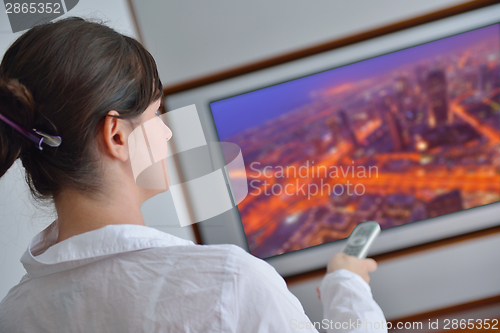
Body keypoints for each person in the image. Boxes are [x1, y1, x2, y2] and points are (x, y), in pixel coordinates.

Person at [0, 17, 386, 332]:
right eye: (155, 115)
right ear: (117, 135)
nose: (166, 131)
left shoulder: (14, 314)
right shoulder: (228, 283)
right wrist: (348, 289)